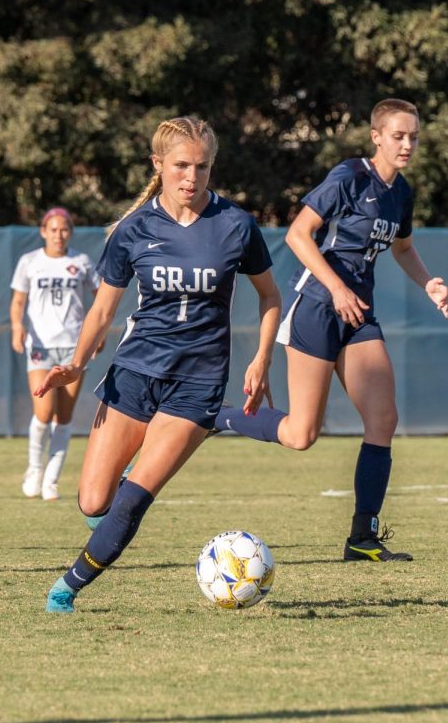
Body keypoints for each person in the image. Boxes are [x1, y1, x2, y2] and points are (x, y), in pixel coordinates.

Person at [36, 116, 281, 613]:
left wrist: (261, 357)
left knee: (131, 501)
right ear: (158, 165)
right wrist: (76, 363)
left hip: (198, 384)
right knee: (92, 503)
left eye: (203, 166)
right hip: (135, 374)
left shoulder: (236, 224)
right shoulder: (133, 229)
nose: (192, 177)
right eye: (181, 166)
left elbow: (271, 296)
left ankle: (68, 586)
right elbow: (103, 311)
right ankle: (126, 476)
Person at [212, 98, 448, 563]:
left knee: (383, 420)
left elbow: (402, 248)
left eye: (414, 136)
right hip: (318, 308)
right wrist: (337, 287)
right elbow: (299, 234)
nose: (407, 144)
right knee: (302, 434)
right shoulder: (349, 176)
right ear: (376, 136)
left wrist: (429, 283)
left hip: (358, 314)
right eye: (398, 135)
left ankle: (362, 538)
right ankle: (214, 416)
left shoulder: (401, 192)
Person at [9, 206, 100, 500]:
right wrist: (16, 327)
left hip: (73, 347)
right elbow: (18, 302)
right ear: (43, 231)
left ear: (70, 233)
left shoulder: (81, 261)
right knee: (43, 411)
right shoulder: (30, 261)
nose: (59, 235)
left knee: (64, 416)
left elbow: (101, 300)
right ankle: (35, 468)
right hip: (41, 345)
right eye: (53, 229)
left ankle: (51, 479)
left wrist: (97, 333)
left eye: (64, 230)